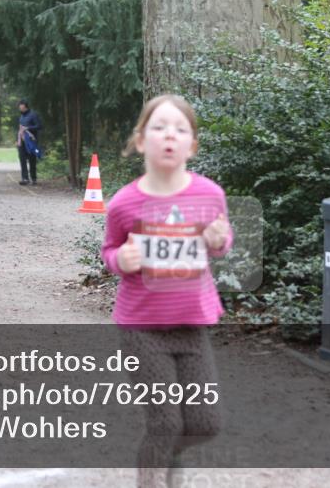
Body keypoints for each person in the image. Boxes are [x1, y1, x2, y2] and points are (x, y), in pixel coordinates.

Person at [100, 94, 232, 488]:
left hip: (192, 327)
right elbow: (109, 250)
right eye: (159, 127)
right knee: (165, 423)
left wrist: (218, 240)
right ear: (141, 141)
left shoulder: (209, 195)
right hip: (142, 329)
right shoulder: (124, 203)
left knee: (205, 423)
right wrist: (120, 260)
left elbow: (221, 242)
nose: (170, 135)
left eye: (180, 129)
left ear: (192, 145)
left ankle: (166, 459)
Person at [16, 99, 41, 186]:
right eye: (19, 106)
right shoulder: (21, 117)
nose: (19, 107)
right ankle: (25, 178)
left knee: (32, 159)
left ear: (25, 106)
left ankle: (34, 179)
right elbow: (20, 129)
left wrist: (28, 128)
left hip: (31, 142)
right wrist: (17, 140)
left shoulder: (33, 115)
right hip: (22, 142)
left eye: (21, 106)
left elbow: (39, 126)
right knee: (22, 159)